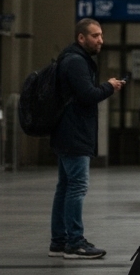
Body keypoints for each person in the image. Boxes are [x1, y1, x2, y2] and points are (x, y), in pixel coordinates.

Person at [48, 19, 125, 259]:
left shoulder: (69, 59)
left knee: (65, 187)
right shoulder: (76, 62)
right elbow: (87, 95)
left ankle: (59, 242)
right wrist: (109, 87)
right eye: (95, 36)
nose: (101, 40)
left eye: (101, 35)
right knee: (77, 187)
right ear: (81, 38)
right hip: (74, 134)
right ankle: (74, 242)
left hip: (66, 132)